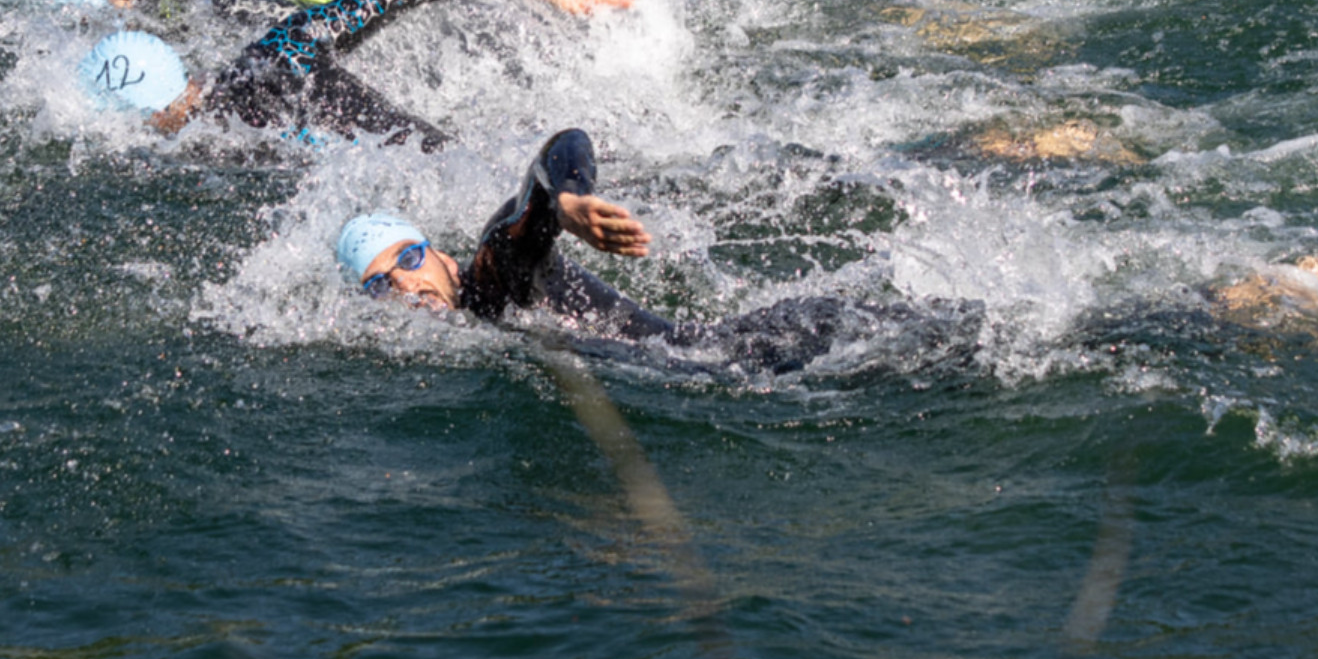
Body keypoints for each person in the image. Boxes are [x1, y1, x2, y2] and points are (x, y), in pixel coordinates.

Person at [338, 128, 978, 374]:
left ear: (443, 257)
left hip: (767, 351)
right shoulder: (454, 339)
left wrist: (567, 204)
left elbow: (556, 151)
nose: (404, 285)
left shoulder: (492, 273)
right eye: (378, 283)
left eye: (410, 259)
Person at [79, 0, 639, 151]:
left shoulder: (213, 150)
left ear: (152, 117)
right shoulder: (280, 51)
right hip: (460, 164)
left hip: (455, 193)